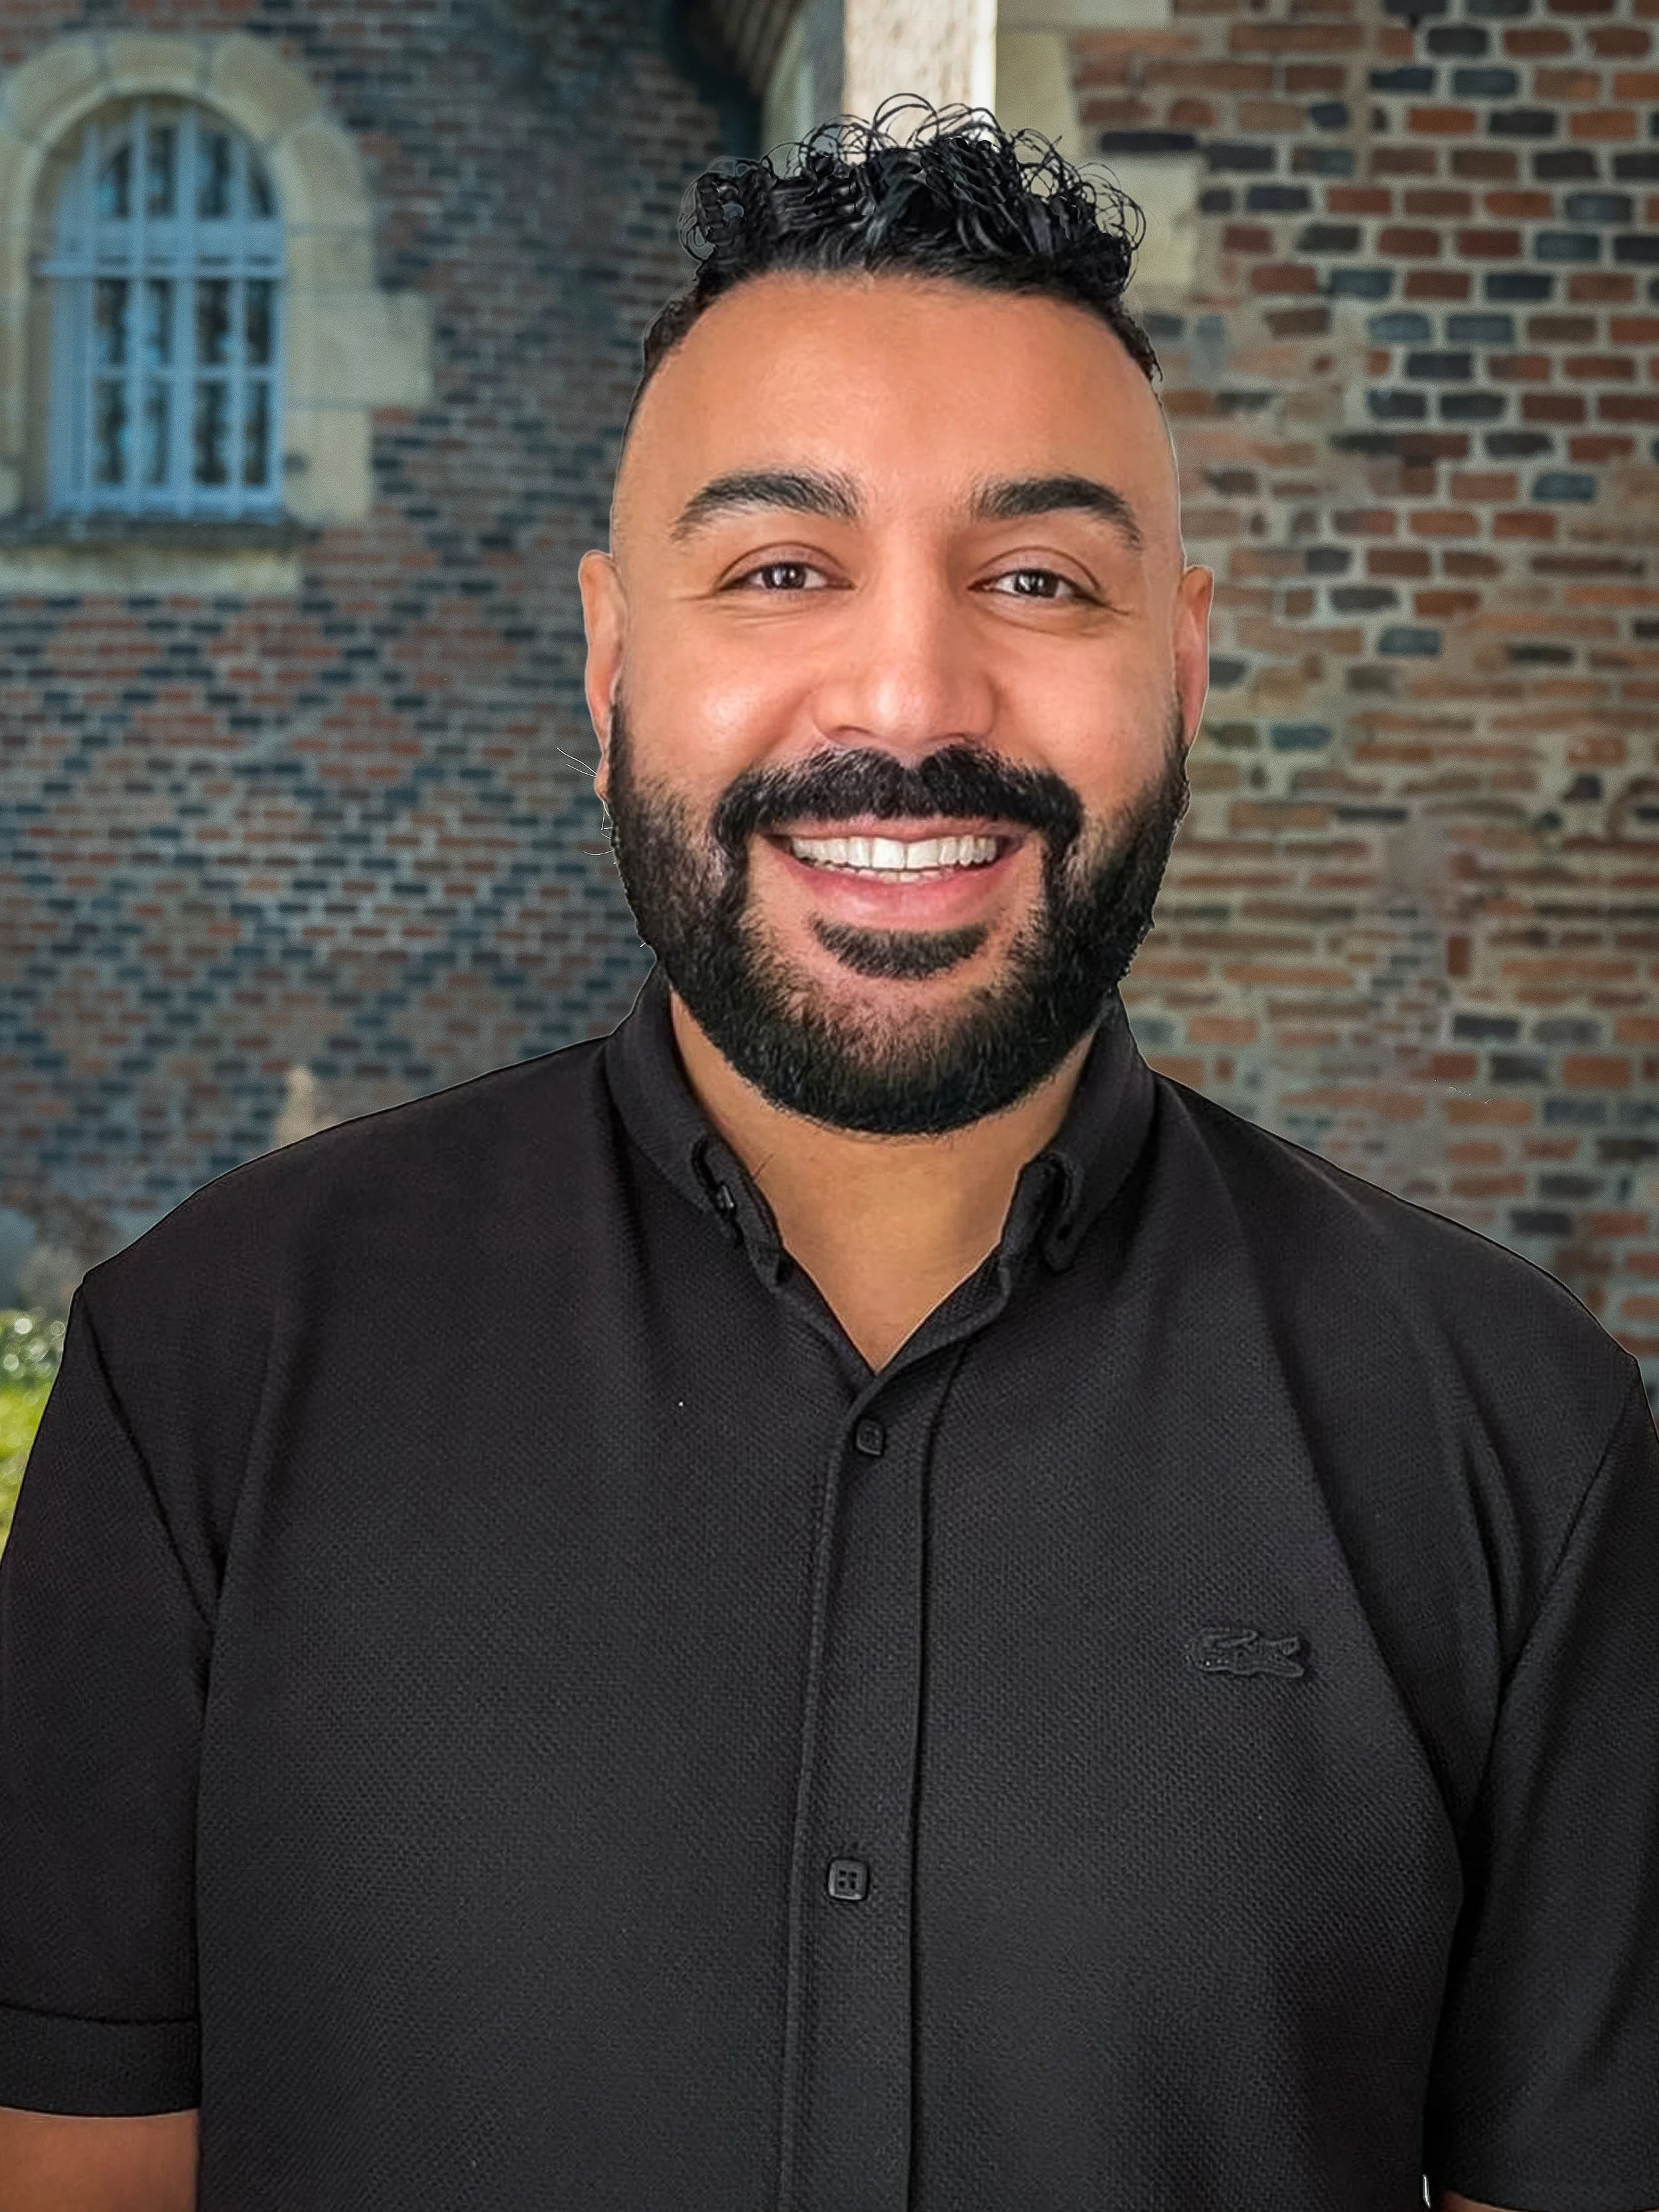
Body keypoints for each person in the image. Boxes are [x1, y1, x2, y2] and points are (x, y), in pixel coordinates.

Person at [1, 99, 1655, 2212]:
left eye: (1037, 576)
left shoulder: (1512, 1436)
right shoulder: (207, 1375)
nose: (906, 686)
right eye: (781, 567)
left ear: (1181, 665)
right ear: (613, 662)